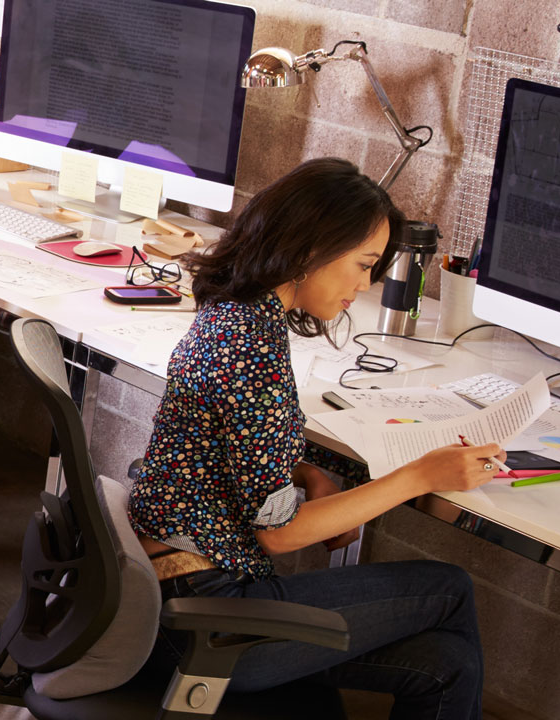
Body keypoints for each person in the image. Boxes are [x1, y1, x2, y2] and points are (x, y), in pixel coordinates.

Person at [128, 157, 492, 719]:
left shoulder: (232, 315)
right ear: (308, 250)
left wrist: (302, 471)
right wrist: (421, 476)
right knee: (450, 588)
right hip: (208, 619)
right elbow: (279, 535)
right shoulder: (255, 355)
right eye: (364, 264)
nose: (366, 283)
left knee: (448, 663)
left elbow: (226, 440)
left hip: (164, 594)